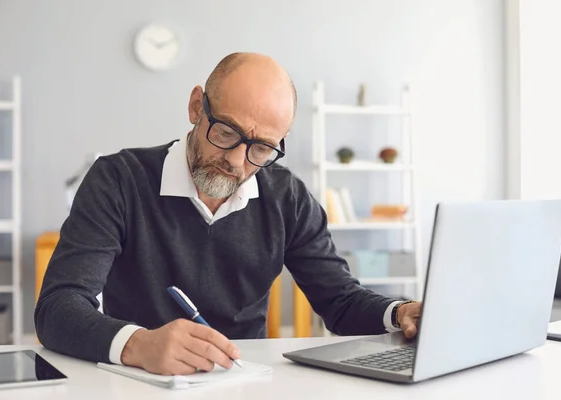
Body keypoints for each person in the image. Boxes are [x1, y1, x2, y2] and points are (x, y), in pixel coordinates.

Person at [35, 52, 422, 376]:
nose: (237, 161)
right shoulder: (119, 179)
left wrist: (399, 312)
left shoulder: (287, 197)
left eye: (262, 149)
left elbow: (340, 301)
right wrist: (139, 344)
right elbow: (58, 308)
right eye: (225, 132)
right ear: (195, 107)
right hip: (141, 381)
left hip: (244, 379)